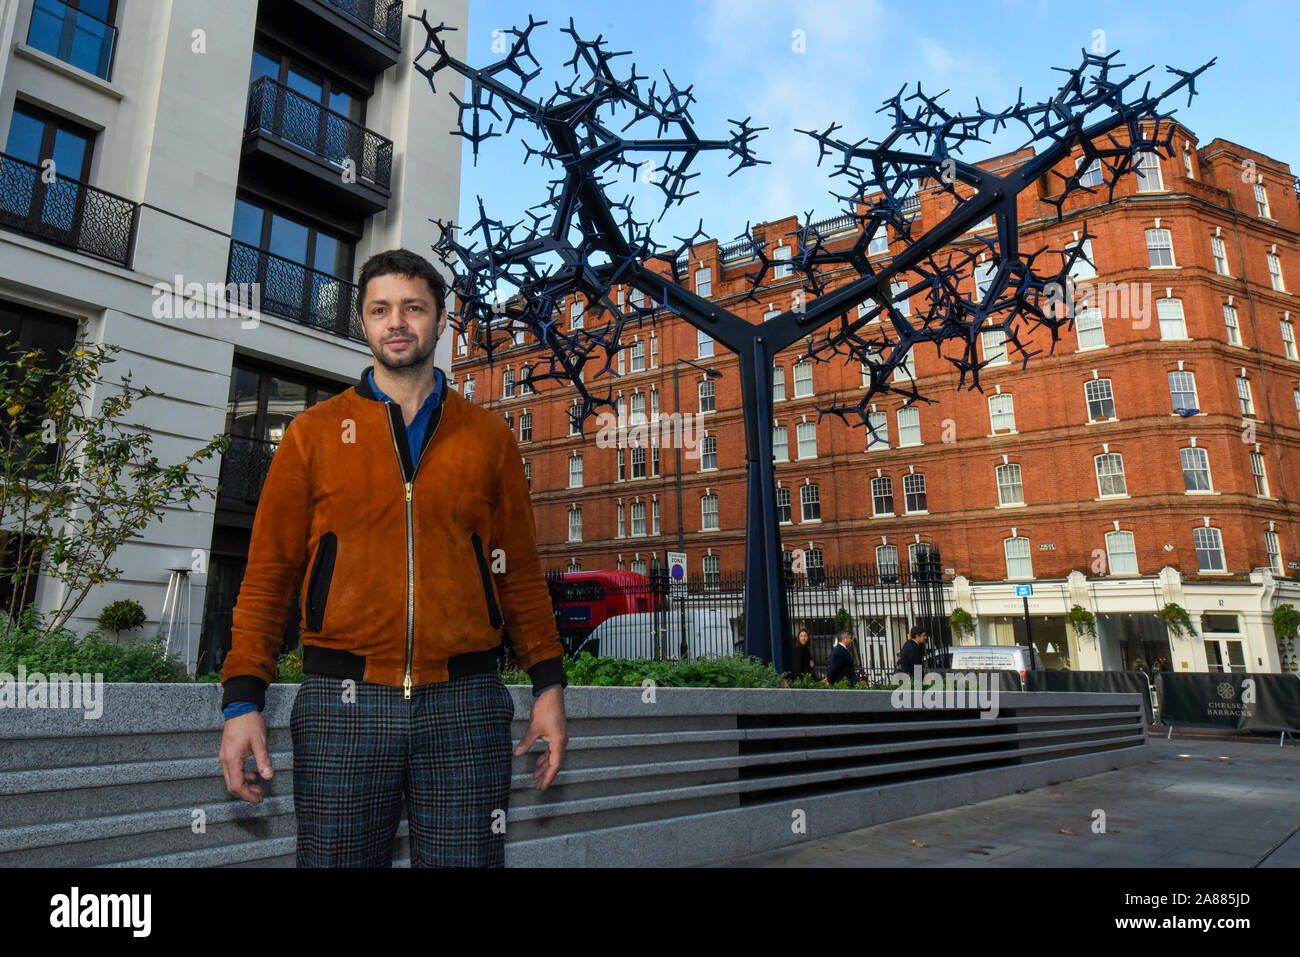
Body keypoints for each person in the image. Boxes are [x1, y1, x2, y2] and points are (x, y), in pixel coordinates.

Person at [217, 248, 568, 868]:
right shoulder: (314, 434)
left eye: (413, 307)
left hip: (466, 705)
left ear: (440, 320)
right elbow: (270, 573)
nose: (397, 321)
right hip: (340, 703)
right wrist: (244, 701)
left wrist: (548, 686)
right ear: (363, 322)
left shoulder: (489, 438)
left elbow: (517, 573)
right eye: (380, 309)